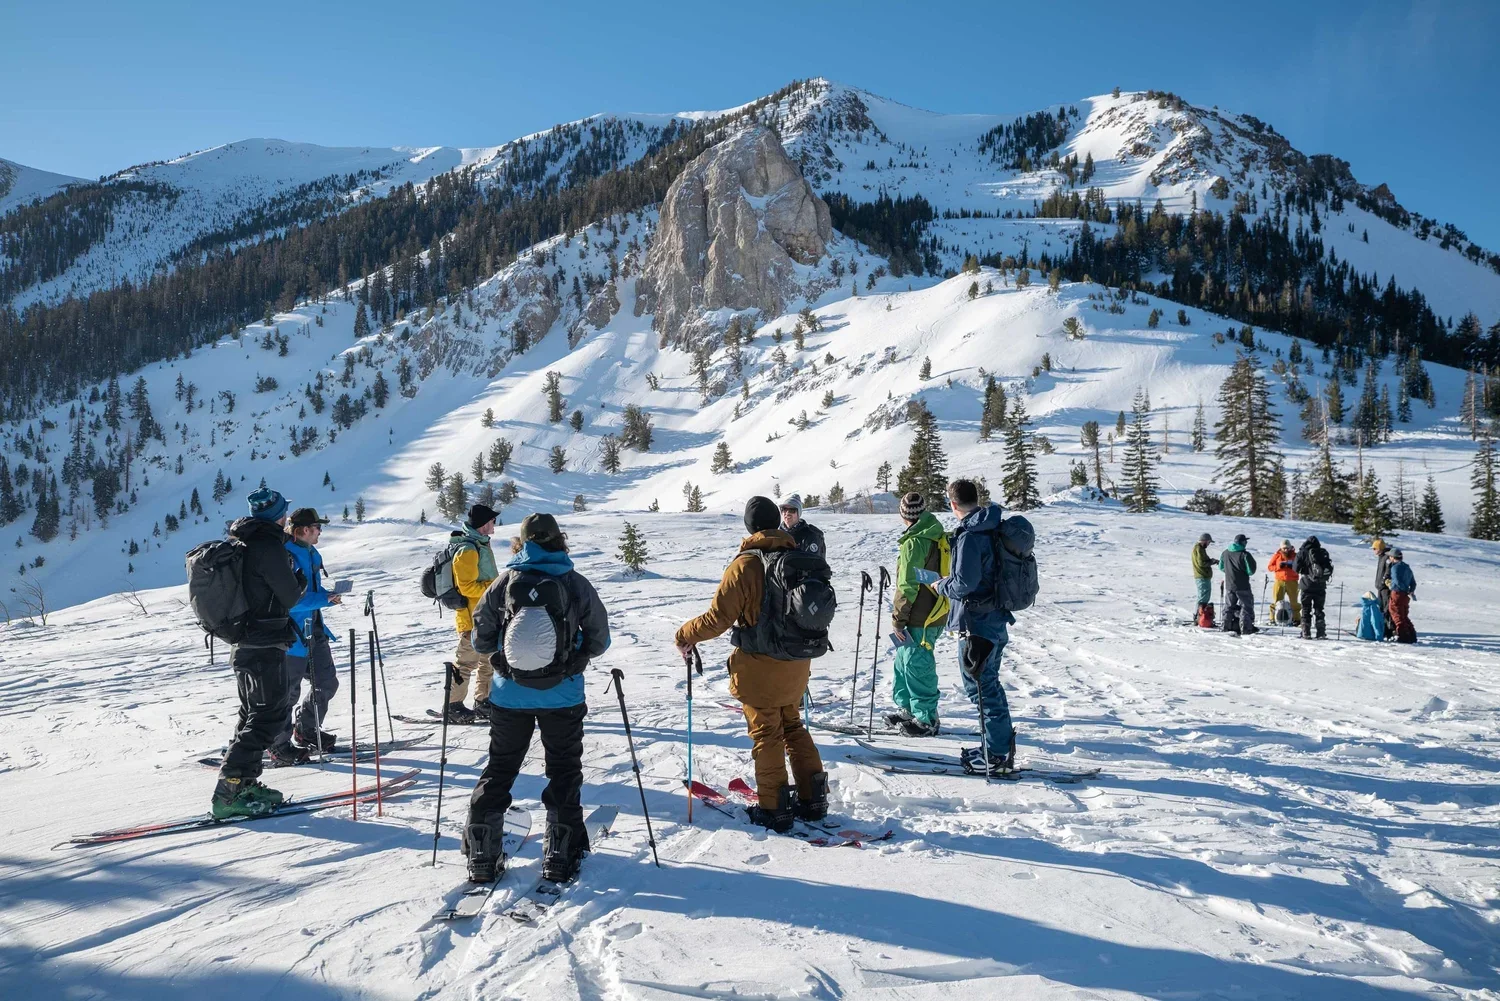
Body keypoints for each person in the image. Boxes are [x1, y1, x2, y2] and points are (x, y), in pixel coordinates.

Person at [462, 514, 610, 884]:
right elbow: (600, 639)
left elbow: (481, 638)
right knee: (563, 769)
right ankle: (561, 852)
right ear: (560, 540)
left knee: (500, 767)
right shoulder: (574, 583)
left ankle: (482, 852)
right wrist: (575, 660)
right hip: (563, 694)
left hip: (509, 696)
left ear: (521, 543)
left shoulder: (503, 582)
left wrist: (501, 660)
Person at [675, 496, 826, 833]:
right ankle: (814, 798)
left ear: (749, 526)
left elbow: (718, 619)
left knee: (766, 734)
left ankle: (775, 808)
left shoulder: (746, 564)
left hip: (760, 666)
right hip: (797, 663)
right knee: (793, 727)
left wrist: (685, 634)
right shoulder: (796, 557)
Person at [210, 488, 302, 819]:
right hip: (263, 642)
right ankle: (229, 792)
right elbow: (290, 597)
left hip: (245, 641)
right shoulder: (267, 545)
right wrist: (299, 578)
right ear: (279, 515)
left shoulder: (244, 541)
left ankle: (241, 783)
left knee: (253, 713)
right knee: (269, 715)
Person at [927, 479, 1017, 775]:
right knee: (987, 682)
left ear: (952, 504)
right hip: (994, 618)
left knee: (981, 687)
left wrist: (941, 586)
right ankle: (997, 748)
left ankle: (997, 754)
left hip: (977, 622)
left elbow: (965, 583)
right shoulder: (991, 525)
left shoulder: (970, 534)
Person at [271, 508, 343, 765]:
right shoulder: (285, 556)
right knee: (287, 694)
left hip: (315, 629)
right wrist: (323, 599)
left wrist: (328, 597)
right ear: (302, 530)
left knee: (327, 682)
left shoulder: (312, 553)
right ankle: (279, 745)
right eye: (316, 527)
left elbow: (311, 590)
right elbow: (290, 601)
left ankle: (306, 730)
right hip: (292, 634)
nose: (320, 531)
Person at [885, 491, 948, 737]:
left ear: (903, 515)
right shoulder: (931, 534)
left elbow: (907, 585)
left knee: (916, 664)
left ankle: (926, 718)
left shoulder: (916, 541)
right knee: (904, 663)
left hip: (921, 616)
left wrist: (898, 619)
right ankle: (908, 710)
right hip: (926, 612)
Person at [448, 503, 501, 723]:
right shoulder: (468, 550)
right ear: (483, 524)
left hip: (485, 615)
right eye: (492, 521)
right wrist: (495, 589)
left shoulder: (481, 545)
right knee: (467, 662)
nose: (494, 524)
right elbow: (466, 586)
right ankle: (453, 705)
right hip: (471, 618)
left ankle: (483, 701)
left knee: (488, 660)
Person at [1294, 535, 1334, 640]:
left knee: (1306, 609)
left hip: (1306, 585)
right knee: (1319, 609)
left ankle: (1306, 632)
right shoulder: (1322, 552)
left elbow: (1295, 568)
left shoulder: (1302, 553)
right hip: (1320, 585)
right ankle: (1321, 632)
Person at [1218, 533, 1258, 636]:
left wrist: (1230, 572)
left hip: (1229, 584)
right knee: (1245, 607)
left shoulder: (1225, 553)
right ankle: (1245, 628)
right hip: (1242, 585)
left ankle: (1225, 626)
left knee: (1229, 607)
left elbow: (1221, 567)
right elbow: (1251, 571)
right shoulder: (1245, 555)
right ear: (1243, 542)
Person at [1266, 539, 1302, 627]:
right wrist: (1278, 566)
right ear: (1281, 548)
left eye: (1288, 548)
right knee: (1277, 601)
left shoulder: (1295, 556)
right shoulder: (1277, 555)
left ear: (1290, 547)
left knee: (1294, 602)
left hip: (1292, 581)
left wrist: (1293, 567)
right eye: (1284, 548)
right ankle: (1272, 618)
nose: (1286, 550)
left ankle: (1297, 619)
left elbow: (1300, 567)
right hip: (1279, 581)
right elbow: (1270, 567)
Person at [1386, 548, 1417, 643]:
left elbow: (1397, 581)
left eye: (1389, 556)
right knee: (1404, 615)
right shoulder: (1407, 567)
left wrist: (1390, 584)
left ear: (1392, 557)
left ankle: (1403, 637)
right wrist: (1410, 590)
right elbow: (1413, 583)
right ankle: (1412, 635)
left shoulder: (1395, 567)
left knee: (1397, 614)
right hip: (1405, 596)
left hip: (1397, 593)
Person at [1190, 532, 1215, 624]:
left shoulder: (1199, 549)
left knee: (1204, 596)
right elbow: (1201, 563)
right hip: (1202, 576)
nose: (1208, 544)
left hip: (1203, 576)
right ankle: (1199, 616)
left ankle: (1200, 616)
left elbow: (1203, 561)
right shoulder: (1199, 549)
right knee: (1203, 597)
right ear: (1204, 541)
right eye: (1208, 542)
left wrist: (1211, 561)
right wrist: (1211, 562)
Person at [1372, 539, 1394, 639]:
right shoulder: (1381, 557)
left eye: (1374, 548)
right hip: (1380, 588)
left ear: (1380, 549)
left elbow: (1388, 572)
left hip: (1385, 589)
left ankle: (1388, 631)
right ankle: (1382, 629)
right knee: (1381, 609)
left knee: (1386, 609)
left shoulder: (1387, 557)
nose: (1373, 550)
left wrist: (1383, 582)